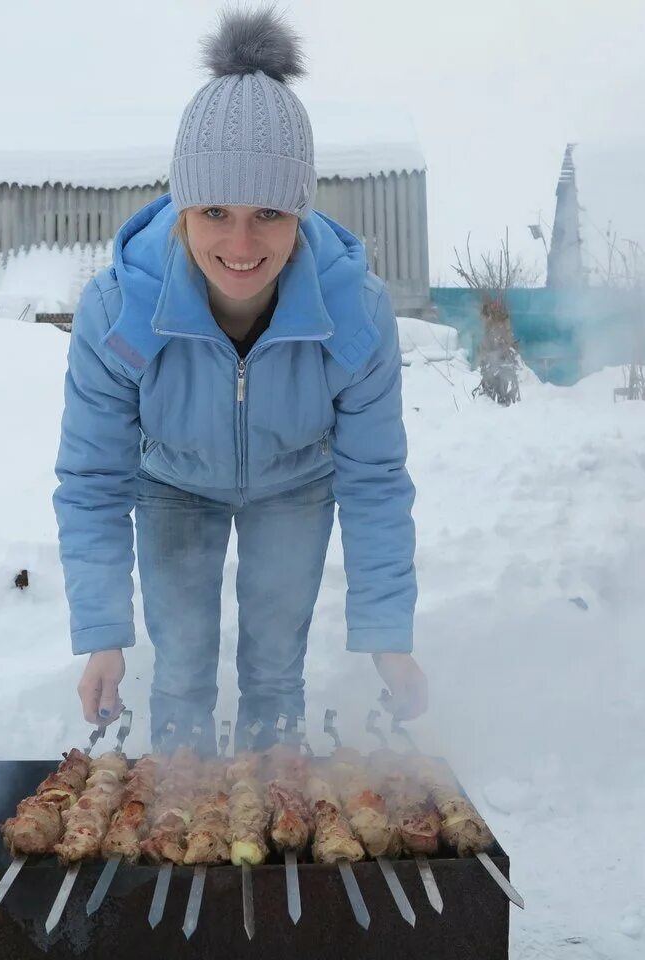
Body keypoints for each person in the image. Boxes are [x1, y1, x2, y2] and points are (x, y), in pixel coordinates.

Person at [53, 7, 426, 754]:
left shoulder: (355, 315)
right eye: (215, 211)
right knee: (183, 673)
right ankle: (183, 810)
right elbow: (93, 478)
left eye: (269, 214)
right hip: (174, 485)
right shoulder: (120, 311)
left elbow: (376, 479)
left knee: (274, 676)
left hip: (294, 484)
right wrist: (102, 636)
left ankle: (270, 807)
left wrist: (388, 635)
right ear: (183, 207)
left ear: (301, 211)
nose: (242, 243)